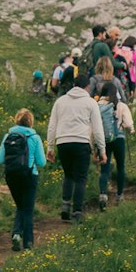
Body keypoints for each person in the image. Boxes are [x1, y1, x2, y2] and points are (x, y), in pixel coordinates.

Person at [46, 67, 106, 222]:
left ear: (73, 85)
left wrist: (50, 148)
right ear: (87, 87)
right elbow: (98, 129)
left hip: (63, 142)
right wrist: (102, 150)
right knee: (80, 178)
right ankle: (77, 212)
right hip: (81, 142)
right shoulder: (91, 103)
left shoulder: (60, 101)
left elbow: (52, 126)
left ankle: (65, 206)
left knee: (68, 175)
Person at [0, 107, 47, 252]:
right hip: (29, 176)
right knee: (28, 208)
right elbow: (42, 162)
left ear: (16, 120)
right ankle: (28, 244)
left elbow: (0, 159)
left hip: (11, 176)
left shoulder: (8, 136)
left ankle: (17, 234)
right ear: (31, 121)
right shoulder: (34, 137)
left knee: (20, 205)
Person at [96, 80, 134, 208]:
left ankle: (103, 194)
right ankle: (119, 195)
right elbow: (128, 124)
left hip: (104, 140)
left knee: (105, 169)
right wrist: (130, 129)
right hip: (119, 138)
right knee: (120, 167)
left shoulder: (97, 106)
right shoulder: (121, 105)